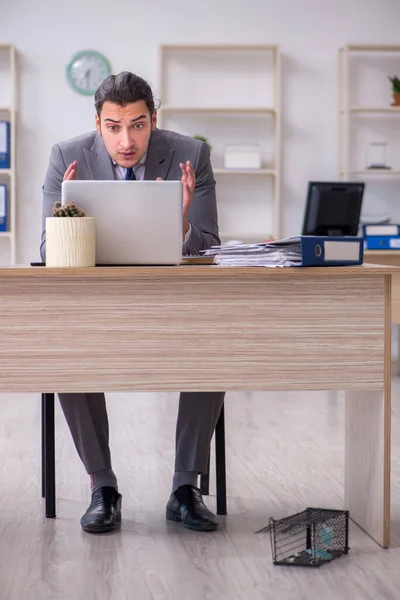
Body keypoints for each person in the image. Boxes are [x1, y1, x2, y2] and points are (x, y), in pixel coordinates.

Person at [40, 71, 225, 534]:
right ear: (98, 123)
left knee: (215, 348)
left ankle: (186, 487)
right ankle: (103, 486)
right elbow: (46, 253)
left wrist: (181, 224)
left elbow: (209, 246)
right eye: (114, 126)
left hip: (172, 304)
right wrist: (65, 216)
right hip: (96, 306)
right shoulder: (67, 156)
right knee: (64, 356)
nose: (127, 140)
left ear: (153, 120)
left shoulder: (190, 155)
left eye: (138, 125)